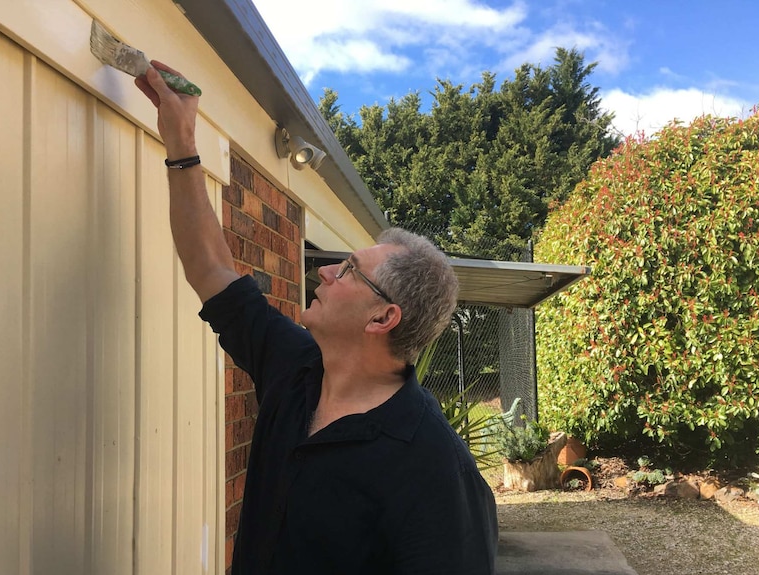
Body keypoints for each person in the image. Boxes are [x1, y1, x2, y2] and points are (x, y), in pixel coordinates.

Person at [136, 60, 498, 574]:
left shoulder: (434, 469)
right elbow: (212, 269)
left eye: (348, 270)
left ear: (382, 317)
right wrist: (182, 143)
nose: (325, 272)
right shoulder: (296, 367)